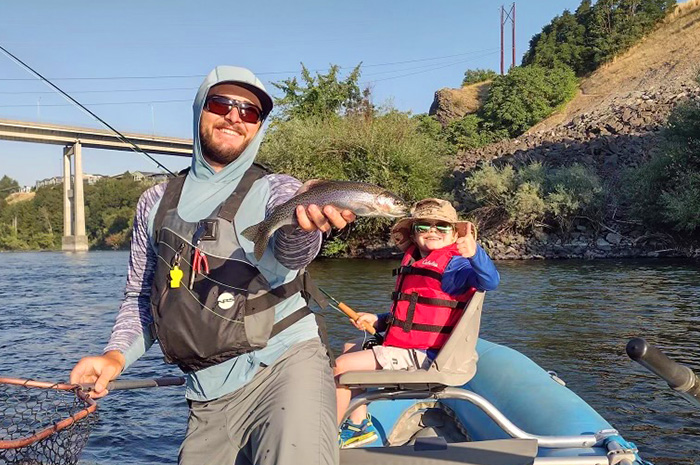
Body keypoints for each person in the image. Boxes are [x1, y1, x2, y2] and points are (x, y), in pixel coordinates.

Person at [69, 66, 354, 465]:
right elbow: (142, 295)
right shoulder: (153, 202)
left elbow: (293, 255)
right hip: (205, 392)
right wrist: (115, 356)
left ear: (257, 127)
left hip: (284, 365)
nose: (235, 116)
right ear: (199, 110)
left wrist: (307, 226)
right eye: (222, 104)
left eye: (250, 112)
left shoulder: (279, 188)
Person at [333, 198, 500, 448]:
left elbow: (490, 281)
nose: (432, 231)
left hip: (425, 355)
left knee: (340, 367)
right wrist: (378, 320)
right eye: (424, 226)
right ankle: (358, 426)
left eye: (441, 226)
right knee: (349, 346)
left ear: (454, 233)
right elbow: (413, 314)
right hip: (405, 347)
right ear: (414, 233)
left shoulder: (456, 266)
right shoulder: (415, 263)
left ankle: (323, 439)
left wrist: (476, 254)